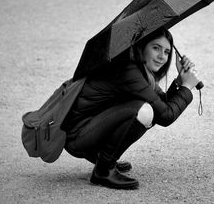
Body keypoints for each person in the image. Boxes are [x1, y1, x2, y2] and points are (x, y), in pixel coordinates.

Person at [61, 28, 199, 189]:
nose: (162, 56)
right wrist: (187, 87)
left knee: (150, 109)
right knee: (144, 111)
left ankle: (104, 158)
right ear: (142, 47)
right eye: (156, 48)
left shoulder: (138, 69)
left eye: (167, 52)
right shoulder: (128, 70)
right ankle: (104, 169)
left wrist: (179, 81)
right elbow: (166, 116)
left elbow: (162, 106)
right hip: (77, 136)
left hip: (90, 128)